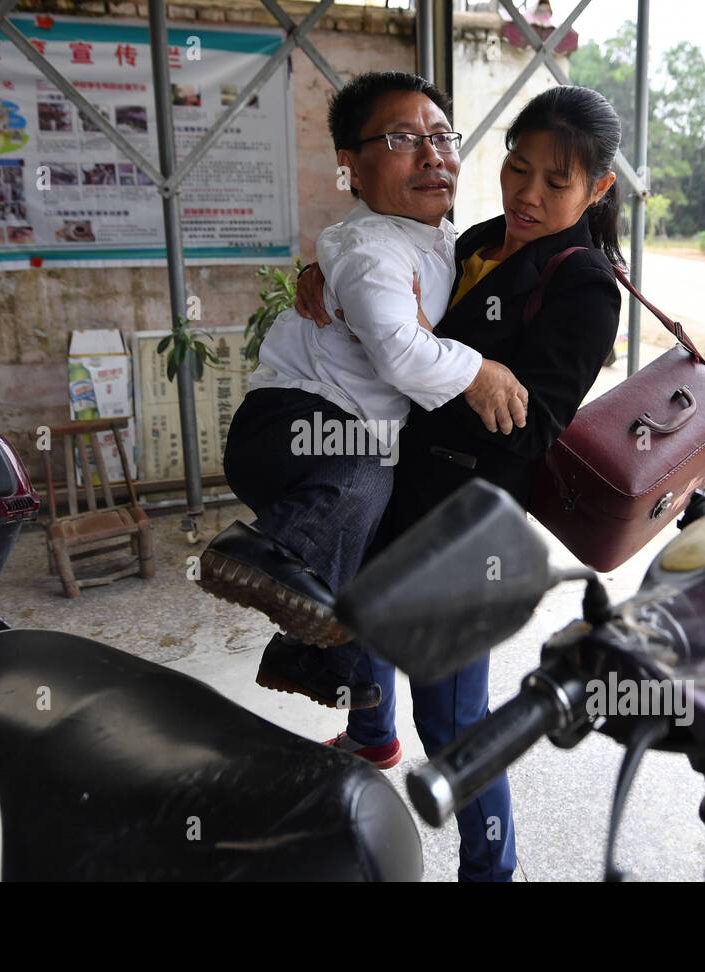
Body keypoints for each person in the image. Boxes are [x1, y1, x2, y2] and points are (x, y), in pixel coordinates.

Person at [295, 84, 625, 881]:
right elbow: (388, 285)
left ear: (598, 190)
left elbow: (534, 423)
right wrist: (325, 274)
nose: (529, 195)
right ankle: (373, 735)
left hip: (459, 527)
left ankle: (491, 868)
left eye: (557, 182)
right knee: (360, 622)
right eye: (518, 169)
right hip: (395, 486)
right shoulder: (475, 237)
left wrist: (457, 375)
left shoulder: (584, 285)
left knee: (455, 722)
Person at [197, 72, 528, 709]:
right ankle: (264, 551)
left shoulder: (444, 243)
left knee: (365, 549)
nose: (433, 155)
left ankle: (310, 656)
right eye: (404, 139)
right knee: (368, 473)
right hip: (292, 425)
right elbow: (403, 353)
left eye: (442, 137)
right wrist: (479, 371)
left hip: (329, 433)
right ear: (351, 164)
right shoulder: (371, 249)